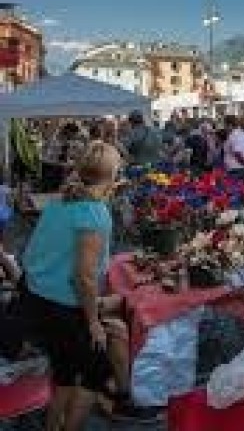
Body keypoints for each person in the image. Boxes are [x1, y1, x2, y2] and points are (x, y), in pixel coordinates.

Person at [21, 142, 146, 430]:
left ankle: (53, 425)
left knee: (65, 372)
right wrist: (93, 322)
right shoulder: (93, 212)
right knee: (96, 373)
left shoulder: (61, 201)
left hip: (36, 297)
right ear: (113, 176)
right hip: (59, 304)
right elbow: (84, 277)